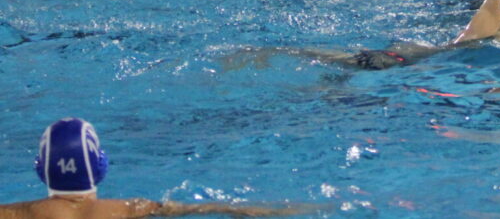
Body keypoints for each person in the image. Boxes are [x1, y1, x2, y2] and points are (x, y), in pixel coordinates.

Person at [0, 117, 304, 217]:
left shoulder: (15, 213)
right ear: (101, 165)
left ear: (41, 170)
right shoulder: (132, 209)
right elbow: (207, 209)